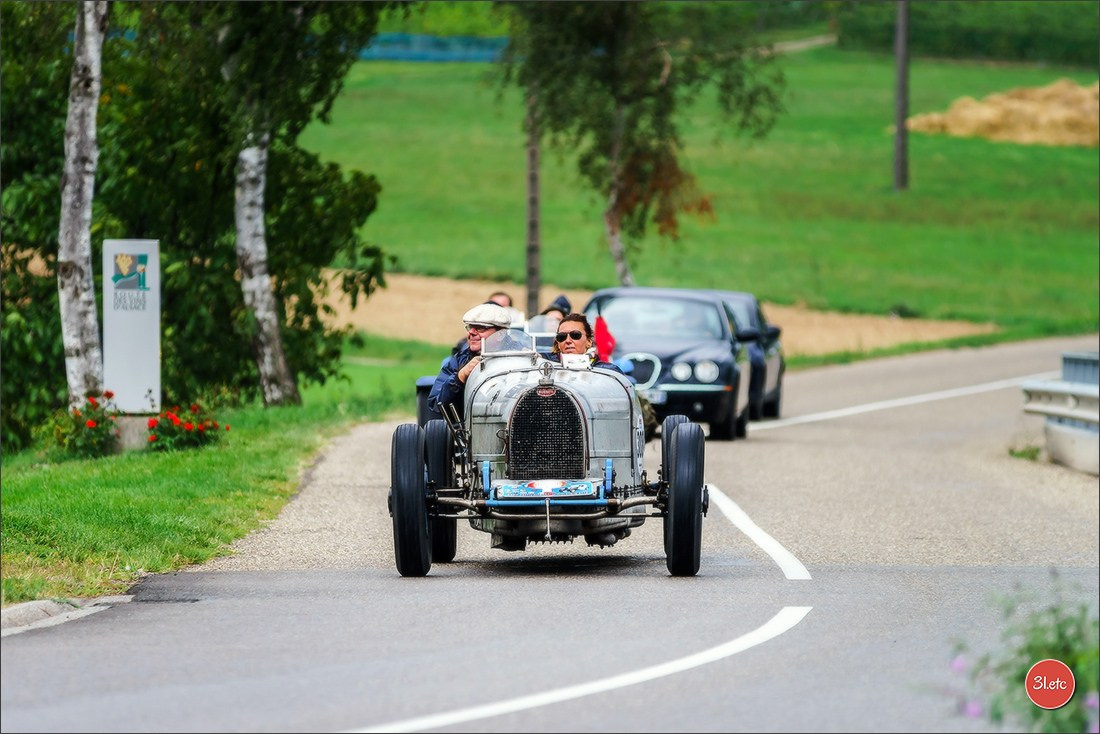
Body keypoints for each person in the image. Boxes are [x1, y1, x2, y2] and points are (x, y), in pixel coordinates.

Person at [429, 302, 512, 418]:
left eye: (480, 328)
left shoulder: (525, 355)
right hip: (470, 431)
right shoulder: (459, 360)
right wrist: (459, 378)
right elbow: (436, 403)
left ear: (501, 334)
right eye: (470, 327)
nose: (471, 333)